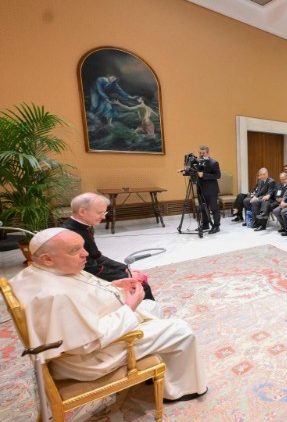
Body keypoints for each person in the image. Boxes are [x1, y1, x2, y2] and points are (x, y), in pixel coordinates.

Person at [10, 228, 207, 402]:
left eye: (83, 247)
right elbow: (87, 343)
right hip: (89, 360)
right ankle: (182, 390)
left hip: (88, 337)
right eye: (75, 250)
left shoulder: (39, 272)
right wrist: (128, 308)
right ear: (47, 258)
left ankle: (156, 373)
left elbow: (81, 293)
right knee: (180, 329)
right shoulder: (55, 295)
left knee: (150, 307)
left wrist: (112, 287)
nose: (85, 253)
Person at [62, 193, 154, 300]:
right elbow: (90, 268)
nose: (104, 216)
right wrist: (128, 276)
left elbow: (97, 256)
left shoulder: (82, 225)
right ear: (82, 212)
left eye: (104, 212)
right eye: (100, 213)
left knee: (136, 275)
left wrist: (125, 268)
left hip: (92, 268)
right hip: (84, 276)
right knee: (140, 286)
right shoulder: (71, 234)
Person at [193, 145, 221, 233]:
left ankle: (216, 226)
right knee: (203, 208)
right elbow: (194, 172)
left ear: (207, 153)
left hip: (211, 190)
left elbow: (218, 175)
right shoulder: (197, 162)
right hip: (201, 189)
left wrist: (204, 175)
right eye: (200, 153)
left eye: (203, 153)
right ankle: (205, 225)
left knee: (214, 208)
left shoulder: (214, 162)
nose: (201, 155)